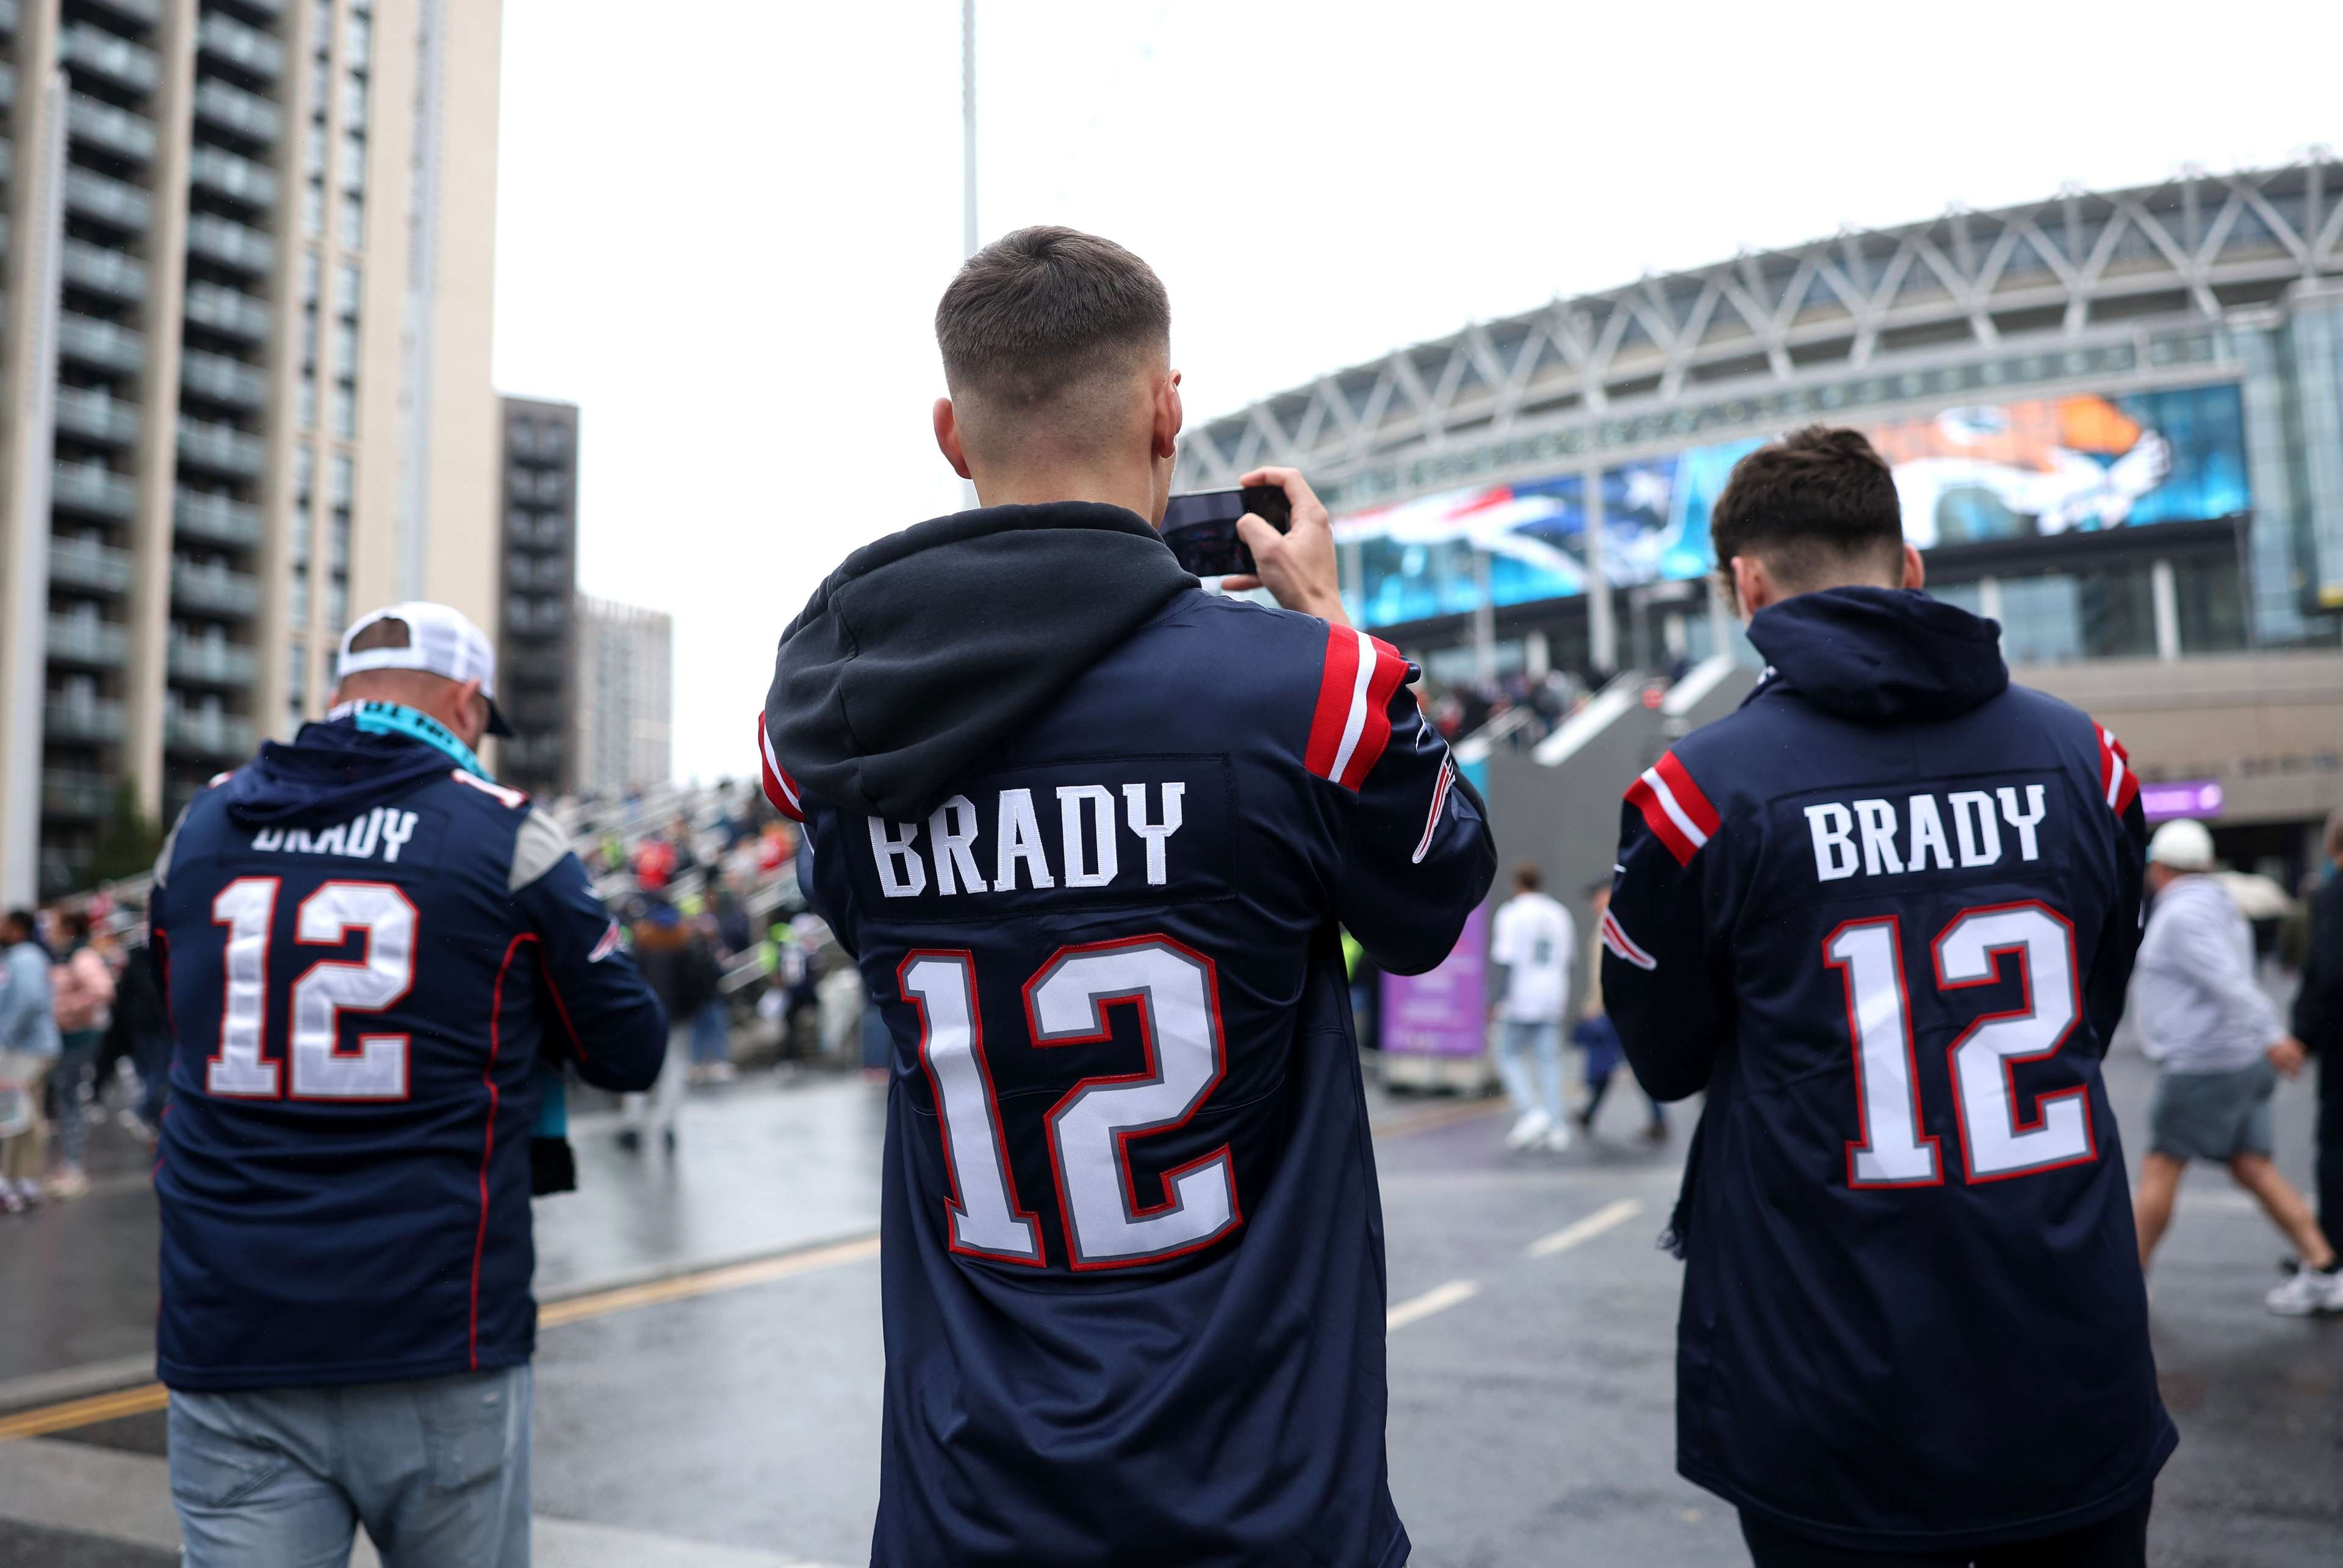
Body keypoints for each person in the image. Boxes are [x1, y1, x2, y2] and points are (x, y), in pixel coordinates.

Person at [760, 226, 1494, 1568]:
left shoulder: (833, 737)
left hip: (967, 1498)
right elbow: (1433, 898)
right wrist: (1329, 627)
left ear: (950, 432)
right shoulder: (1304, 694)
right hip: (1264, 1494)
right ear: (1168, 411)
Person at [1602, 426, 2171, 1566]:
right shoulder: (2086, 759)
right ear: (1912, 567)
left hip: (1830, 1370)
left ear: (1746, 589)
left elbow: (1665, 1058)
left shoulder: (1696, 796)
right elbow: (2092, 1021)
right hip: (2068, 1347)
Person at [148, 601, 668, 1567]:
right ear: (466, 704)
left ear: (342, 692)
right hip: (437, 1320)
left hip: (229, 1320)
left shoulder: (204, 824)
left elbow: (176, 1010)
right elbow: (630, 1048)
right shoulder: (505, 837)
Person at [2129, 818, 2341, 1314]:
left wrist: (2273, 1036)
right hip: (2235, 1058)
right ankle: (2324, 1267)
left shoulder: (2182, 915)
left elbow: (2226, 982)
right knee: (2252, 1167)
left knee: (2161, 1166)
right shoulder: (2222, 906)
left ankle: (2126, 1285)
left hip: (2205, 1063)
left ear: (2159, 868)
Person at [1488, 863, 1574, 1151]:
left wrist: (1496, 1000)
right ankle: (1557, 1124)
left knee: (1508, 1054)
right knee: (1549, 1062)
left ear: (1517, 884)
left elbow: (1506, 961)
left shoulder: (1512, 914)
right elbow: (1569, 961)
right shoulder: (1560, 913)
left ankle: (1531, 1111)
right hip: (1552, 996)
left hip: (1520, 998)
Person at [619, 901, 718, 1149]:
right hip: (678, 1017)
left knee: (639, 1069)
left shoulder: (641, 941)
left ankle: (634, 1124)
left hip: (644, 1017)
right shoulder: (686, 941)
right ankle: (667, 1124)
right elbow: (700, 982)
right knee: (674, 1069)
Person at [1575, 881, 1665, 1142]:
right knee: (1613, 1064)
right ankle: (1590, 1113)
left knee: (1621, 1064)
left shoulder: (1613, 922)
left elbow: (1608, 970)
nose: (1593, 903)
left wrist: (1597, 1004)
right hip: (1616, 1007)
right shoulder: (1618, 919)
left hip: (1615, 1009)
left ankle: (1657, 1119)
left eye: (1596, 897)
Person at [2294, 808, 2343, 1248]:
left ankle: (2332, 1248)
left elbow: (2327, 972)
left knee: (2335, 1148)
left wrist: (2302, 1035)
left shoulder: (2331, 896)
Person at [45, 908, 115, 1199]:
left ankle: (72, 1167)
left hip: (77, 1038)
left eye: (54, 924)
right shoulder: (67, 955)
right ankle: (68, 1166)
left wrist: (67, 1009)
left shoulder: (81, 957)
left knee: (70, 1099)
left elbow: (103, 990)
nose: (48, 930)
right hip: (67, 1038)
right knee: (65, 1099)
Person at [0, 910, 62, 1215]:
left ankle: (18, 1182)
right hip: (28, 1048)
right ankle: (20, 1181)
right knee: (23, 1115)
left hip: (27, 1051)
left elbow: (27, 1000)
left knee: (17, 1116)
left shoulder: (24, 958)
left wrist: (5, 1034)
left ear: (16, 929)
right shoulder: (24, 957)